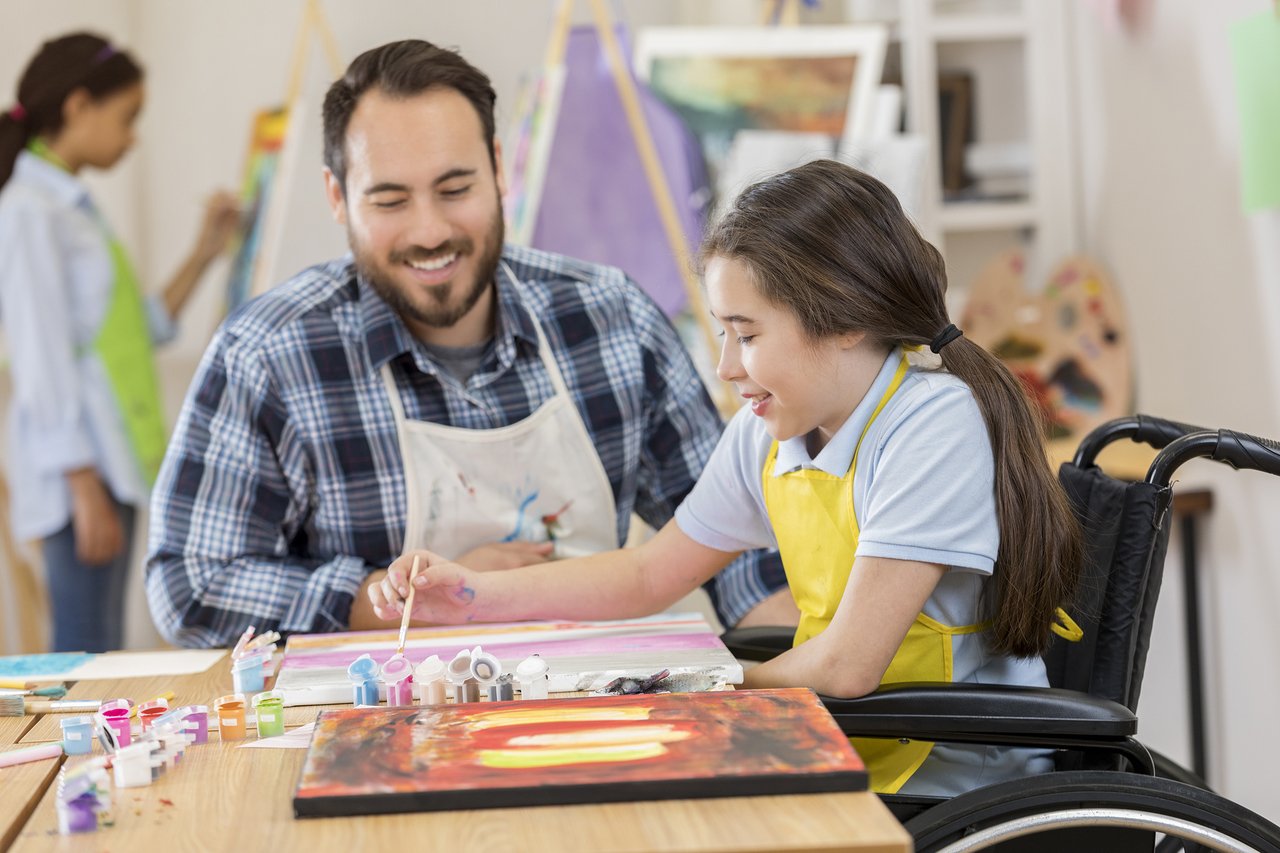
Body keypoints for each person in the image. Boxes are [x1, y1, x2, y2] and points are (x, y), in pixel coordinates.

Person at [373, 159, 1084, 797]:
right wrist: (467, 597)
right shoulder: (771, 432)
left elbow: (848, 668)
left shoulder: (930, 423)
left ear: (843, 318)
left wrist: (696, 683)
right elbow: (650, 574)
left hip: (950, 781)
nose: (726, 366)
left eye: (746, 334)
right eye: (721, 332)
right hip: (845, 745)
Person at [144, 39, 788, 649]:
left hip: (595, 710)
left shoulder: (610, 317)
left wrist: (808, 673)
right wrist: (394, 603)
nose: (430, 231)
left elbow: (733, 531)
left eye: (455, 191)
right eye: (390, 200)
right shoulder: (268, 354)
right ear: (338, 198)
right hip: (377, 730)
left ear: (499, 169)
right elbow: (191, 586)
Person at [0, 33, 238, 653]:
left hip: (110, 464)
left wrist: (206, 251)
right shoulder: (29, 211)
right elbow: (39, 358)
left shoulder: (72, 208)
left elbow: (141, 329)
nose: (132, 138)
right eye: (127, 117)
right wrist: (82, 485)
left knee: (99, 647)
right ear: (79, 105)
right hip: (82, 473)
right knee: (85, 655)